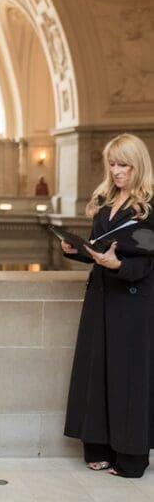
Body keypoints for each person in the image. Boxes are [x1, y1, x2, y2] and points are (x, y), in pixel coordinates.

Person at [61, 133, 154, 477]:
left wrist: (120, 266)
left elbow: (147, 261)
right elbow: (102, 251)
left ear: (138, 165)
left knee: (128, 376)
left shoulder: (149, 208)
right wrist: (78, 251)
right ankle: (97, 447)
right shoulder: (106, 202)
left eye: (123, 165)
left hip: (132, 305)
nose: (116, 171)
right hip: (101, 298)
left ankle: (131, 458)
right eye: (112, 164)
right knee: (96, 371)